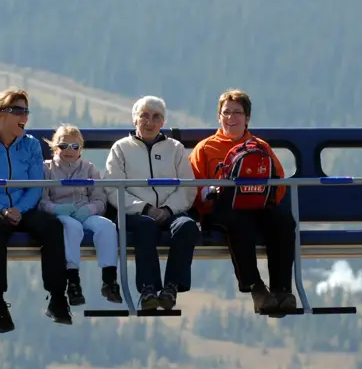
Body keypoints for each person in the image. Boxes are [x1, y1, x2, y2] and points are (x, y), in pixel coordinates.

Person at [0, 87, 72, 333]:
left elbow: (35, 186)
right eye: (18, 111)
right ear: (0, 114)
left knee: (52, 227)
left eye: (26, 111)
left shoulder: (31, 145)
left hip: (23, 207)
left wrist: (19, 210)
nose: (24, 116)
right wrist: (3, 210)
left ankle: (57, 298)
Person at [189, 88, 298, 318]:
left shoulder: (260, 148)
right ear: (219, 117)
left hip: (257, 208)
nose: (231, 118)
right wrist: (211, 193)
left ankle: (281, 290)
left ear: (247, 118)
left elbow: (278, 181)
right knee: (238, 221)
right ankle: (256, 287)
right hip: (220, 212)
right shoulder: (206, 148)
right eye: (226, 113)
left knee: (283, 221)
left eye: (237, 113)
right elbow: (192, 187)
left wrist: (268, 199)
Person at [105, 95, 198, 311]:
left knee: (187, 226)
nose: (149, 122)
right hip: (136, 213)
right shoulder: (121, 148)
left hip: (170, 211)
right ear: (134, 119)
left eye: (156, 117)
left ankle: (171, 288)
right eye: (144, 116)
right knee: (145, 225)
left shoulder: (175, 148)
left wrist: (167, 209)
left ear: (163, 122)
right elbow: (112, 188)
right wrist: (145, 208)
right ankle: (148, 290)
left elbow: (187, 186)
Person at [39, 124, 123, 306]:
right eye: (63, 146)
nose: (69, 151)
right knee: (72, 227)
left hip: (84, 211)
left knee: (107, 226)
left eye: (74, 147)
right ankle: (73, 279)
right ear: (55, 147)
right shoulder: (46, 169)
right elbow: (41, 200)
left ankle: (109, 279)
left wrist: (90, 209)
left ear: (81, 149)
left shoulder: (89, 169)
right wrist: (56, 209)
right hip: (62, 213)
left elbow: (100, 199)